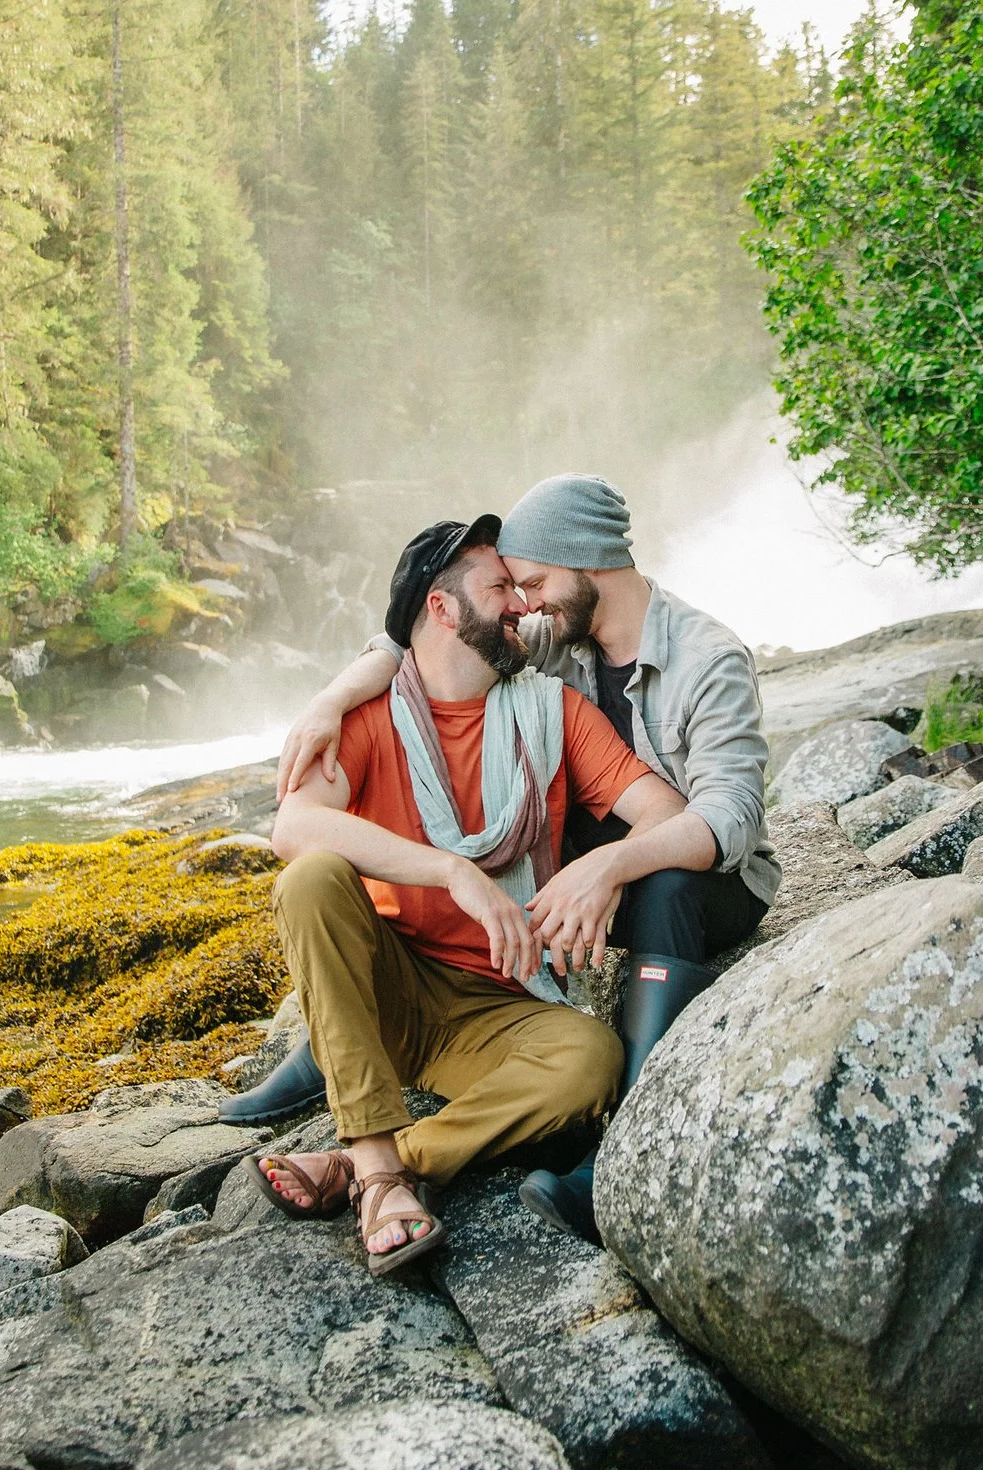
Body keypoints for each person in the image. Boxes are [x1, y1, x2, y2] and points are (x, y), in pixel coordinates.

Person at [228, 473, 778, 1243]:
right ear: (449, 608)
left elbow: (706, 814)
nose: (524, 602)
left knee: (595, 1050)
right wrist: (333, 702)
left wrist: (609, 866)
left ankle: (378, 1161)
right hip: (407, 968)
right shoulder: (402, 698)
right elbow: (305, 805)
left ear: (584, 564)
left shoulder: (607, 679)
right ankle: (356, 1105)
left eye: (531, 584)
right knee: (313, 877)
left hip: (562, 949)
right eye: (507, 587)